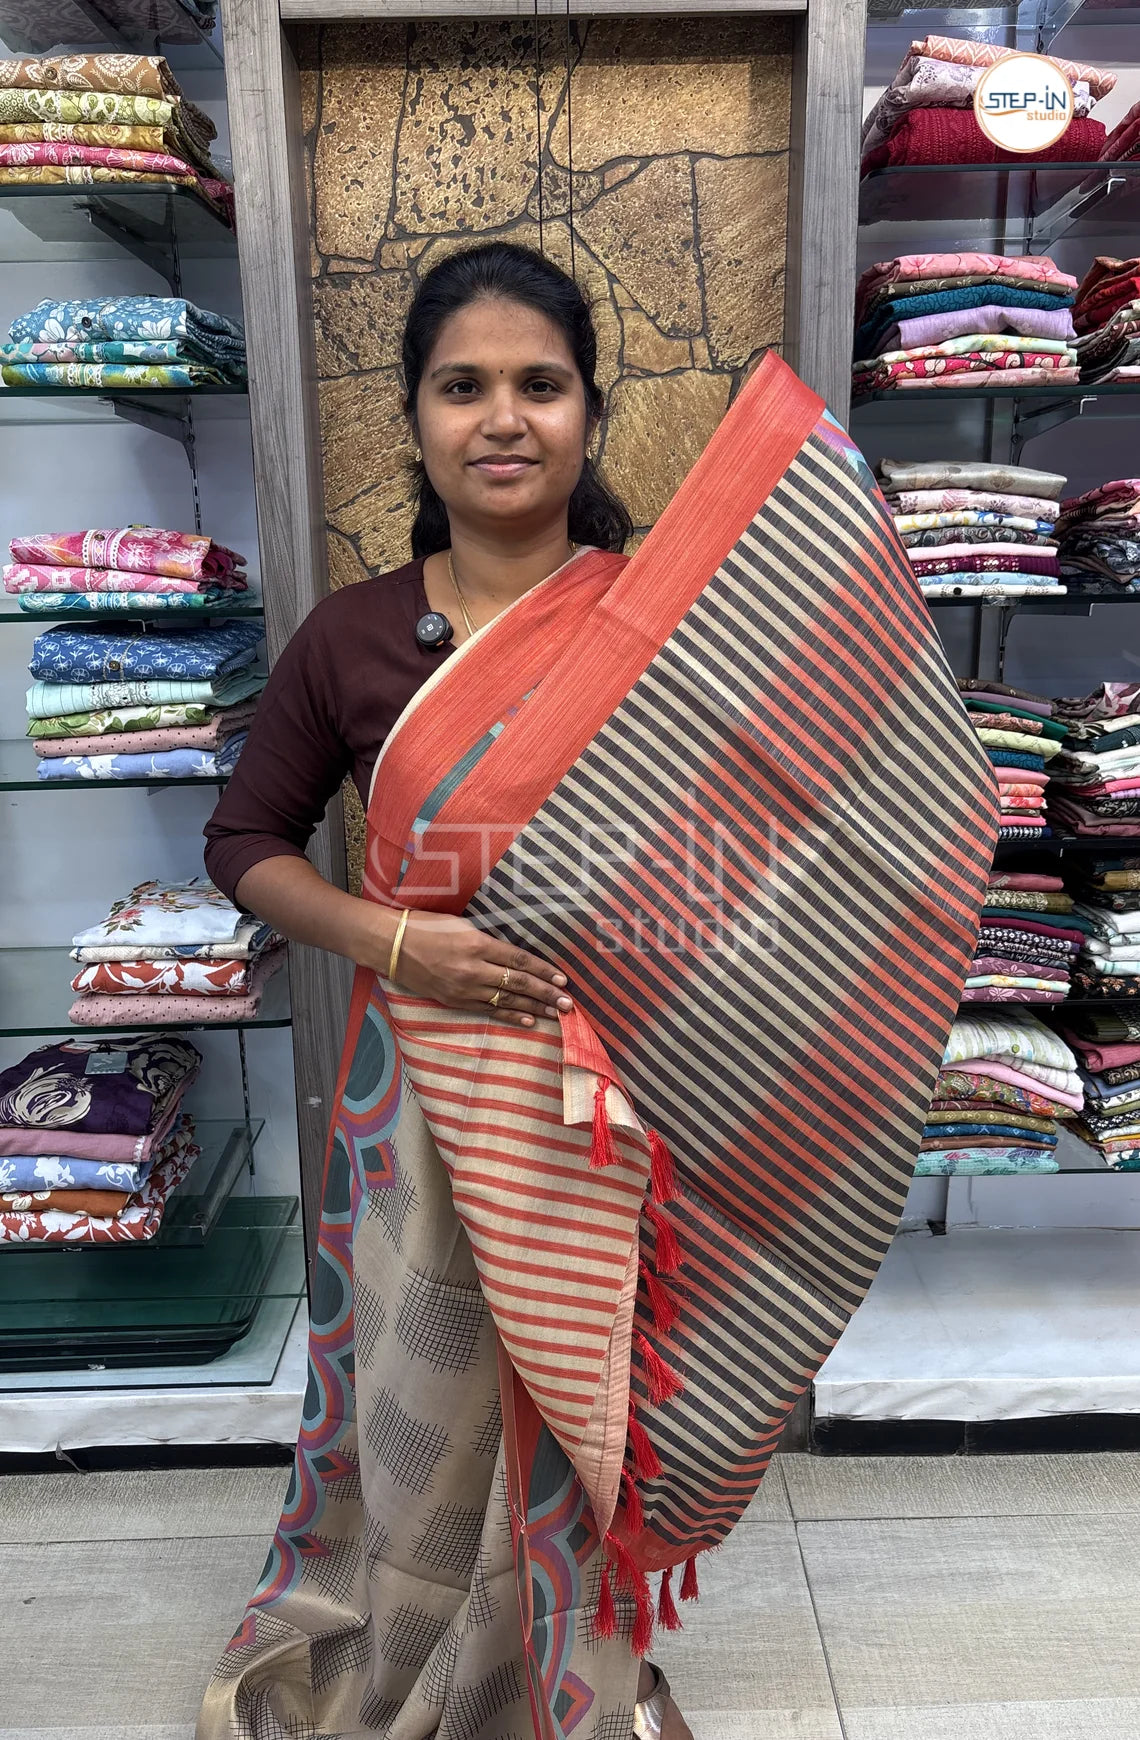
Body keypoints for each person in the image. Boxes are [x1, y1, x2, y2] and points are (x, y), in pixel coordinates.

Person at [198, 242, 999, 1740]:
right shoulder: (355, 638)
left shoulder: (674, 630)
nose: (504, 419)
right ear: (416, 419)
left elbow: (795, 839)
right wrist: (392, 940)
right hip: (424, 1115)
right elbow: (243, 842)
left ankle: (584, 1669)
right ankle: (428, 1658)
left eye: (540, 385)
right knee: (429, 1413)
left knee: (593, 1402)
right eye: (464, 388)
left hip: (630, 1100)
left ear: (589, 412)